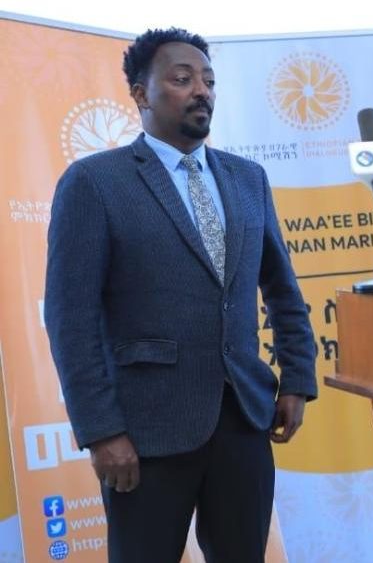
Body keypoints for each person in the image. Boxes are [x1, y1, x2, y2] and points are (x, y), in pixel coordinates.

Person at [44, 28, 317, 563]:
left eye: (209, 81)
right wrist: (101, 432)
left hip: (244, 420)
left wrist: (297, 379)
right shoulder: (95, 182)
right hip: (145, 433)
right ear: (141, 94)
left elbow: (282, 288)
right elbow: (69, 317)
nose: (201, 91)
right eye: (182, 79)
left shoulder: (248, 178)